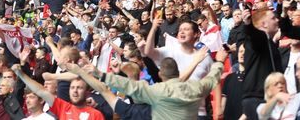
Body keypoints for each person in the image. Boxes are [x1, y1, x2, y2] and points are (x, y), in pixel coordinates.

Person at [66, 50, 227, 120]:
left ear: (160, 75)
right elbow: (212, 79)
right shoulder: (195, 87)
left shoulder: (152, 95)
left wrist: (96, 73)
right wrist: (219, 62)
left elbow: (117, 88)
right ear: (178, 73)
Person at [11, 64, 105, 120]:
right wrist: (21, 74)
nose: (75, 91)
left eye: (79, 88)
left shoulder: (96, 115)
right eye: (72, 88)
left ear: (86, 92)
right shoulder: (63, 107)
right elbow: (40, 91)